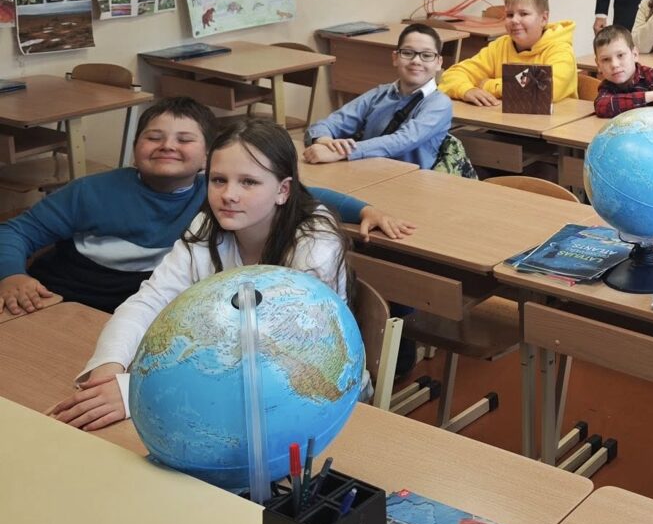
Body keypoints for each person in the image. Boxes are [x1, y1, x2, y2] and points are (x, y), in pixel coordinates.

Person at [49, 120, 364, 432]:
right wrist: (109, 366)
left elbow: (275, 362)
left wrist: (136, 391)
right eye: (218, 180)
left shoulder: (314, 248)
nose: (229, 195)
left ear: (283, 190)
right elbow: (150, 301)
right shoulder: (207, 227)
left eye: (248, 182)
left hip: (313, 396)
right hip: (221, 385)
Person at [0, 97, 407, 317]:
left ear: (208, 155)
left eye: (184, 140)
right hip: (64, 296)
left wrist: (364, 209)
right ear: (135, 146)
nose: (167, 146)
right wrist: (12, 275)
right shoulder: (90, 191)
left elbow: (302, 193)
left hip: (136, 307)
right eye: (153, 137)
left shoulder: (215, 195)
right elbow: (16, 231)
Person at [303, 24, 454, 170]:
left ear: (439, 63)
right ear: (395, 58)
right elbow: (327, 124)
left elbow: (402, 140)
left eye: (427, 55)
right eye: (408, 53)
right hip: (366, 171)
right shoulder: (379, 94)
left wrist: (341, 152)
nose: (416, 61)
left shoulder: (439, 103)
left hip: (409, 180)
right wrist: (325, 141)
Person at [439, 0, 577, 105]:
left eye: (523, 14)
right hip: (504, 121)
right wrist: (466, 90)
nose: (514, 20)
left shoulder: (560, 50)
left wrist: (489, 85)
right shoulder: (500, 46)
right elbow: (452, 75)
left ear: (544, 18)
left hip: (553, 124)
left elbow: (545, 88)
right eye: (510, 15)